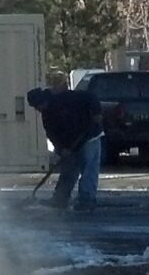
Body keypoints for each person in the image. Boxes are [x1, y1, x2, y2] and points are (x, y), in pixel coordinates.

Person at [28, 80, 103, 212]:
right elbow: (51, 133)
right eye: (37, 108)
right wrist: (61, 148)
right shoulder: (46, 114)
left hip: (89, 135)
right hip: (70, 143)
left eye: (39, 105)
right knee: (68, 169)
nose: (39, 109)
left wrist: (96, 114)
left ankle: (86, 199)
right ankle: (60, 198)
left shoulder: (66, 97)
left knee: (88, 168)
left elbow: (91, 97)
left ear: (44, 100)